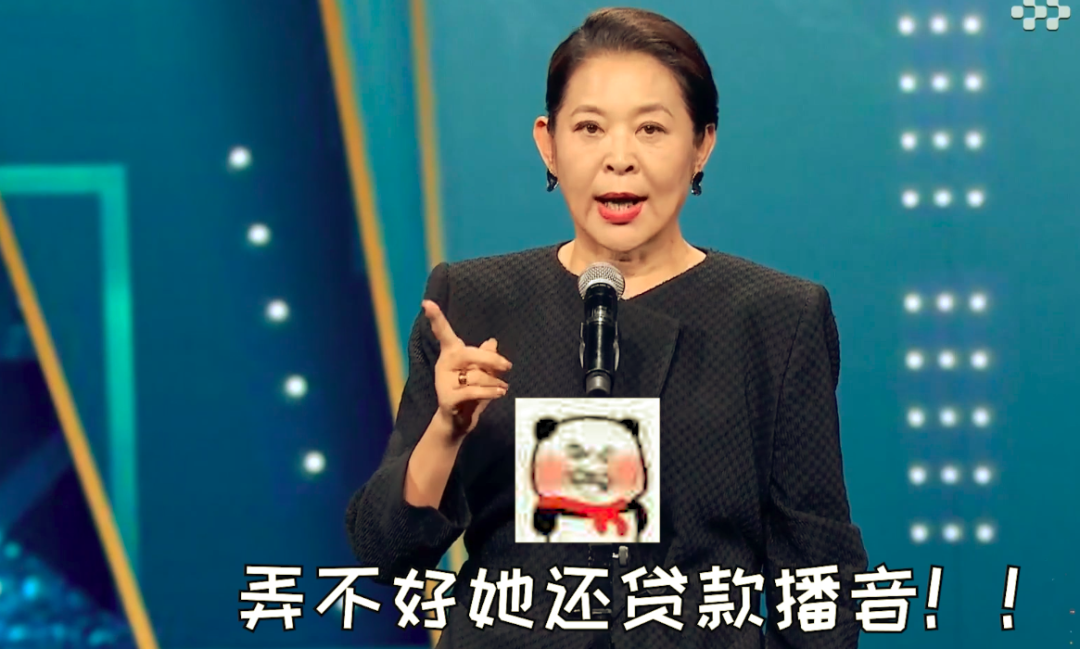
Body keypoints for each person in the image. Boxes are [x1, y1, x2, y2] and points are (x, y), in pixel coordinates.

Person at [345, 7, 868, 648]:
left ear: (702, 144)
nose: (619, 159)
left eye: (651, 129)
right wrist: (445, 432)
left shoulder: (776, 318)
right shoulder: (473, 302)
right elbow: (385, 553)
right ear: (549, 143)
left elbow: (818, 582)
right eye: (590, 128)